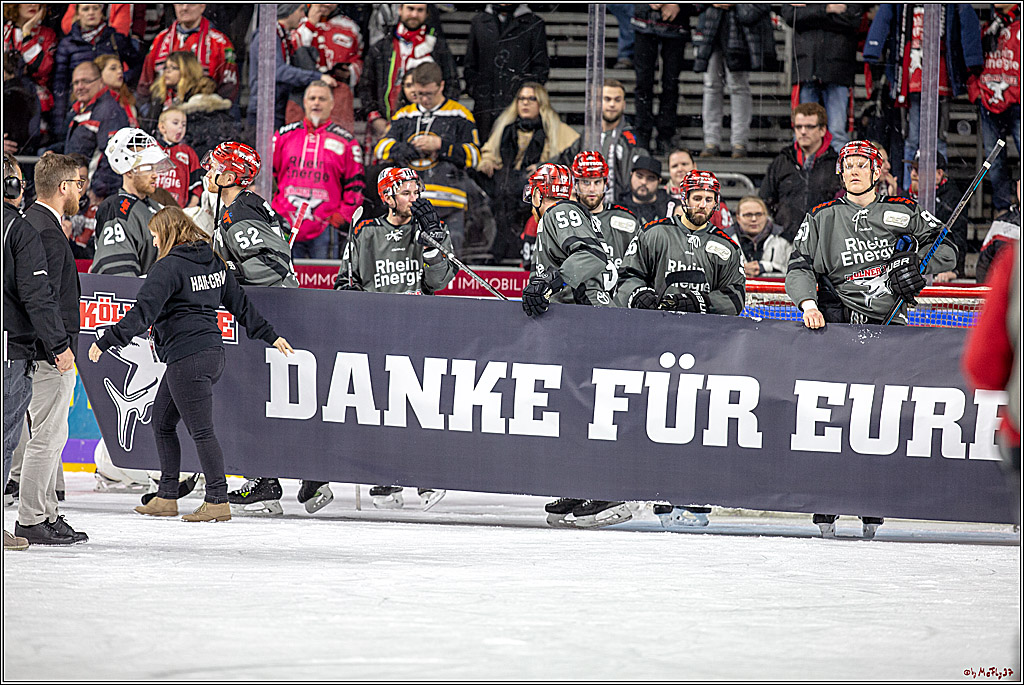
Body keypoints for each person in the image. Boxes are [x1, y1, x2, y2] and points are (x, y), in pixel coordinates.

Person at [785, 141, 956, 539]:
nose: (854, 172)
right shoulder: (822, 216)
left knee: (879, 418)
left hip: (888, 330)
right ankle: (827, 503)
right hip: (837, 328)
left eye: (862, 165)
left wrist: (914, 267)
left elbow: (947, 249)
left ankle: (871, 502)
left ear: (877, 171)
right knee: (833, 417)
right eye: (848, 166)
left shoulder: (905, 211)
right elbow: (798, 265)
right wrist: (808, 303)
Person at [89, 207, 294, 523]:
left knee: (202, 431)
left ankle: (217, 499)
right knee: (162, 422)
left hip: (189, 357)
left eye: (155, 236)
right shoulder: (214, 262)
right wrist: (271, 335)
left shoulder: (167, 267)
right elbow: (241, 306)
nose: (154, 243)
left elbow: (142, 313)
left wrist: (106, 341)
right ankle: (167, 495)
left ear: (167, 233)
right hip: (209, 354)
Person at [615, 169, 745, 529]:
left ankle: (697, 498)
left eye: (708, 199)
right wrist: (639, 295)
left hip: (706, 352)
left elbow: (736, 298)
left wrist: (700, 302)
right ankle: (658, 494)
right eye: (696, 198)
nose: (702, 204)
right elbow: (626, 278)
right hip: (656, 346)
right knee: (657, 421)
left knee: (698, 424)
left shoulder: (726, 246)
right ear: (682, 198)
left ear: (716, 203)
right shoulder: (654, 233)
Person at [332, 167, 456, 511]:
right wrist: (350, 301)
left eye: (417, 192)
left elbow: (440, 280)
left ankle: (426, 476)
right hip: (377, 330)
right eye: (406, 193)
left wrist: (432, 240)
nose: (414, 199)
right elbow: (345, 281)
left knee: (421, 405)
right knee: (381, 407)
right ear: (387, 196)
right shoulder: (365, 231)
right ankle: (386, 479)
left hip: (419, 328)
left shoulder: (430, 228)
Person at [519, 162, 623, 528]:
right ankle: (581, 485)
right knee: (575, 409)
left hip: (589, 320)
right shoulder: (565, 215)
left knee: (590, 408)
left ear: (538, 192)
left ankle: (609, 490)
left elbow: (590, 257)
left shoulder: (559, 212)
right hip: (582, 321)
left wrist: (552, 282)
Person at [201, 141, 301, 516]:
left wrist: (225, 270)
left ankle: (272, 479)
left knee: (257, 397)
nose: (208, 172)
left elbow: (274, 264)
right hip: (266, 313)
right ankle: (276, 477)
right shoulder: (237, 208)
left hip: (270, 313)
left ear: (230, 176)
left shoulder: (240, 212)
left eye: (214, 167)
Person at [13, 152, 88, 546]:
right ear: (62, 187)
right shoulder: (43, 230)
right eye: (77, 183)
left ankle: (46, 513)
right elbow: (41, 297)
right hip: (47, 354)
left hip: (43, 350)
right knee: (46, 437)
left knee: (52, 436)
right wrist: (57, 347)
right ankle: (31, 518)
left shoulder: (38, 223)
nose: (80, 190)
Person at [864, 4, 983, 188]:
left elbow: (967, 18)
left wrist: (973, 59)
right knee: (913, 139)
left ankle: (939, 190)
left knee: (938, 140)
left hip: (940, 76)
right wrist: (873, 48)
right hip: (911, 77)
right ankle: (908, 192)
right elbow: (885, 15)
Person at [374, 62, 479, 255]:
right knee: (405, 262)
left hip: (449, 204)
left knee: (448, 261)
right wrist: (406, 149)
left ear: (441, 86)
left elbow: (474, 156)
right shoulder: (404, 115)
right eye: (419, 94)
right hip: (408, 206)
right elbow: (381, 149)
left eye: (429, 94)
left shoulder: (459, 114)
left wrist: (441, 146)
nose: (424, 99)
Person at [478, 82, 579, 263]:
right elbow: (488, 154)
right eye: (521, 99)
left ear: (541, 103)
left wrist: (545, 166)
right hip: (507, 189)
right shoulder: (506, 128)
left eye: (532, 99)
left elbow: (573, 156)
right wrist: (487, 163)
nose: (525, 103)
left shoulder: (555, 129)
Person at [272, 81, 364, 259]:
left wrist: (340, 218)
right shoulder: (283, 136)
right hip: (284, 225)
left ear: (332, 104)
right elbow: (266, 178)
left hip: (325, 228)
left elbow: (356, 187)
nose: (316, 103)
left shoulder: (347, 142)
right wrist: (274, 214)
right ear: (304, 102)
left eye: (322, 99)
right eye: (312, 98)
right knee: (283, 276)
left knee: (324, 276)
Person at [360, 4, 459, 133]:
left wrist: (441, 118)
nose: (414, 15)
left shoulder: (438, 47)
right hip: (387, 124)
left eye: (420, 10)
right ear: (400, 10)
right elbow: (366, 85)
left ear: (427, 14)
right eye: (410, 9)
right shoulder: (381, 47)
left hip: (429, 127)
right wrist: (375, 118)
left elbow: (452, 83)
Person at [693, 4, 775, 158]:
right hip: (711, 26)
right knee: (711, 85)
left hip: (738, 27)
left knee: (737, 86)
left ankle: (739, 142)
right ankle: (711, 142)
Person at [781, 3, 865, 152]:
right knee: (805, 131)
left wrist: (812, 15)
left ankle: (835, 168)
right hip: (811, 67)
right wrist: (827, 9)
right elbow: (790, 15)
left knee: (834, 132)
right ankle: (805, 167)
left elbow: (853, 19)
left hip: (833, 68)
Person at [90, 128, 171, 276]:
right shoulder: (116, 209)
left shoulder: (155, 206)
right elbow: (118, 277)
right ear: (128, 171)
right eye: (148, 167)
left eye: (155, 167)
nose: (155, 175)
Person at [464, 4, 550, 141]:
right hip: (486, 104)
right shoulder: (479, 22)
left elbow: (540, 66)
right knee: (486, 147)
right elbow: (470, 65)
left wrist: (524, 95)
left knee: (515, 145)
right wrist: (478, 92)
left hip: (517, 103)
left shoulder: (533, 23)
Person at [245, 4, 338, 130]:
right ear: (289, 10)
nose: (303, 15)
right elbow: (277, 71)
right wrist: (317, 77)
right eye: (300, 10)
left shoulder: (282, 35)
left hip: (277, 108)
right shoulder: (267, 35)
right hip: (264, 111)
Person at [759, 102, 841, 242]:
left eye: (809, 127)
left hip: (824, 241)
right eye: (799, 127)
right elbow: (765, 200)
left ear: (822, 130)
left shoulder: (837, 165)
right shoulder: (781, 162)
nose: (803, 132)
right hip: (785, 241)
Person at [52, 4, 139, 135]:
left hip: (112, 104)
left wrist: (122, 79)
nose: (91, 12)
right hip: (79, 105)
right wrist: (59, 125)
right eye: (86, 9)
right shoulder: (67, 44)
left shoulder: (115, 38)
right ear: (78, 14)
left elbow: (137, 65)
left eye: (95, 8)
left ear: (101, 12)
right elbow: (60, 85)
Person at [968, 3, 1021, 216]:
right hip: (989, 100)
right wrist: (976, 92)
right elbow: (971, 60)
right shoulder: (986, 24)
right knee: (994, 161)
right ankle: (1003, 210)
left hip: (1017, 102)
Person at [559, 78, 647, 204]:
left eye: (617, 100)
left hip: (620, 207)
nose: (612, 104)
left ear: (624, 104)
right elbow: (565, 159)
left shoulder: (631, 138)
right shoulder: (588, 135)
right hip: (588, 205)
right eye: (607, 99)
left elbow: (642, 176)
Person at [137, 4, 239, 110]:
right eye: (180, 3)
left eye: (191, 3)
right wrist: (149, 112)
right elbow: (145, 84)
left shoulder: (220, 43)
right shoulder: (160, 40)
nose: (185, 8)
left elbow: (228, 89)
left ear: (202, 6)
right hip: (163, 113)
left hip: (204, 113)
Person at [288, 4, 364, 133]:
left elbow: (358, 60)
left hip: (337, 93)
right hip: (301, 93)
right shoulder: (296, 22)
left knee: (338, 138)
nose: (327, 4)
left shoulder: (350, 27)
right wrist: (310, 25)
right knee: (298, 139)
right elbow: (290, 51)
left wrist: (349, 73)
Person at [563, 150, 639, 271]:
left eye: (597, 182)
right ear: (576, 184)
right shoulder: (562, 221)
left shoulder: (627, 221)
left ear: (605, 184)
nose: (592, 189)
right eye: (586, 182)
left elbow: (639, 269)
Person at [64, 61, 130, 199]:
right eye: (76, 83)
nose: (80, 87)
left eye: (85, 81)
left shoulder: (108, 110)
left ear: (100, 81)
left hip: (95, 196)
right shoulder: (79, 109)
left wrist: (99, 191)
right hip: (79, 192)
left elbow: (113, 156)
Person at [905, 151, 967, 281]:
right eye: (912, 169)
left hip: (937, 273)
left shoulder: (952, 200)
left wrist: (953, 269)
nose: (913, 174)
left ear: (939, 174)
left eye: (920, 170)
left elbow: (958, 238)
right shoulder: (903, 198)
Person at [2, 4, 57, 140]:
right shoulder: (4, 33)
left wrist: (26, 33)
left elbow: (42, 68)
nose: (33, 4)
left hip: (36, 108)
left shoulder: (47, 34)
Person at [665, 147, 734, 231]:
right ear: (669, 170)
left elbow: (726, 232)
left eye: (684, 164)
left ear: (694, 166)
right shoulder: (659, 197)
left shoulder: (712, 196)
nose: (680, 169)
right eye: (674, 166)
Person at [138, 50, 203, 134]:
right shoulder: (160, 97)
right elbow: (147, 128)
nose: (167, 71)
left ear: (187, 71)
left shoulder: (196, 100)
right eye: (166, 67)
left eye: (173, 68)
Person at [152, 108, 202, 209]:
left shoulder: (189, 153)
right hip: (151, 208)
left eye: (184, 125)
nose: (180, 127)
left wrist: (189, 210)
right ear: (162, 127)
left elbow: (197, 187)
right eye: (175, 123)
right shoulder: (151, 148)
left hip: (178, 210)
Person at [733, 195, 790, 278]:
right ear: (738, 218)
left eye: (758, 214)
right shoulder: (725, 240)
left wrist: (765, 267)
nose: (754, 219)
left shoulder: (784, 239)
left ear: (766, 216)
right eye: (748, 215)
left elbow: (795, 272)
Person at [616, 156, 667, 225]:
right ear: (631, 175)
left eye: (651, 178)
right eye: (639, 176)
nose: (644, 182)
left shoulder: (669, 208)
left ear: (659, 181)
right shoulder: (618, 209)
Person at [95, 53, 138, 127]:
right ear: (99, 73)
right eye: (113, 68)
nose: (120, 71)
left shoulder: (128, 102)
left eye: (121, 68)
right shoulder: (92, 104)